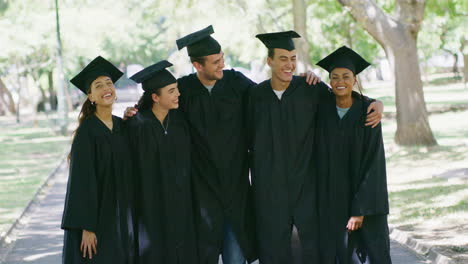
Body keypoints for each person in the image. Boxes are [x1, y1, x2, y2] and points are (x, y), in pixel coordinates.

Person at [249, 32, 384, 264]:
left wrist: (375, 103)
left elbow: (345, 97)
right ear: (269, 61)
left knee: (315, 250)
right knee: (273, 250)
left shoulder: (310, 89)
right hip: (270, 190)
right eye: (283, 58)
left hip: (308, 188)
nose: (289, 64)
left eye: (293, 58)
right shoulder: (254, 96)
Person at [314, 46, 392, 264]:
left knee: (376, 255)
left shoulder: (368, 111)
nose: (340, 81)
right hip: (332, 201)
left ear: (354, 79)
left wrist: (359, 211)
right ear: (329, 81)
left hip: (366, 203)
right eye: (335, 77)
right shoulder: (322, 110)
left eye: (346, 76)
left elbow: (374, 164)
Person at [61, 56, 135, 264]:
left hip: (121, 216)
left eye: (109, 83)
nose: (106, 89)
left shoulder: (123, 126)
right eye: (98, 86)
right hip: (97, 220)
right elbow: (81, 182)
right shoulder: (87, 132)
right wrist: (87, 227)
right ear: (90, 96)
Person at [127, 60, 197, 263]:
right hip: (150, 207)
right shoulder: (137, 126)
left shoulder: (180, 122)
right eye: (172, 91)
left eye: (177, 90)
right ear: (155, 97)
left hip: (181, 206)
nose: (178, 95)